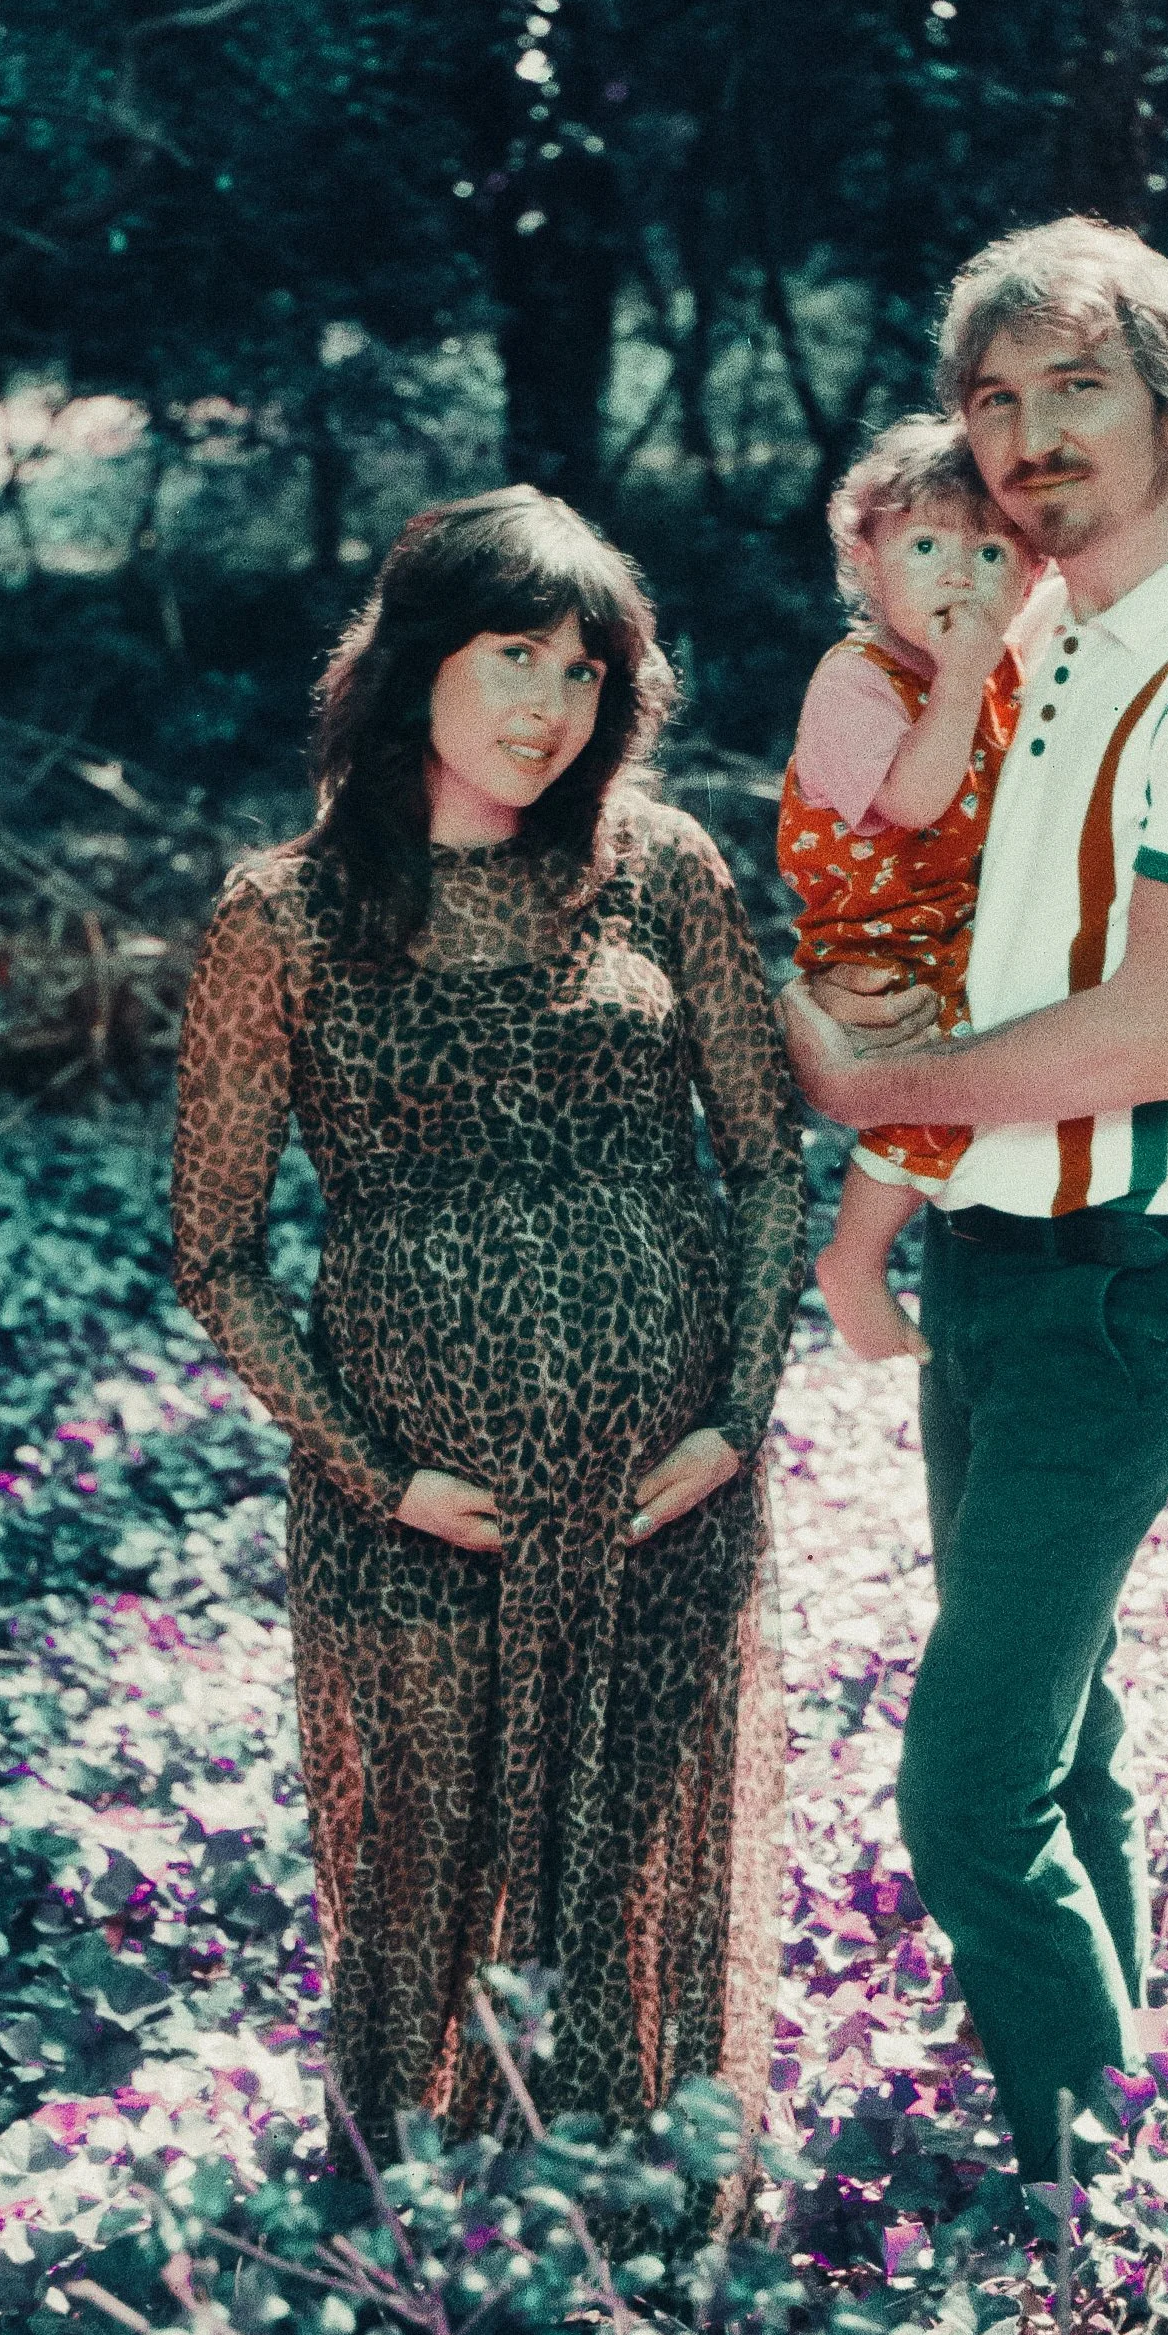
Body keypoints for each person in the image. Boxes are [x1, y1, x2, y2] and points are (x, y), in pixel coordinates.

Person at [781, 218, 1168, 2179]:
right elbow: (965, 944)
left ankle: (1095, 2209)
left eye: (1072, 387)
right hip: (994, 1255)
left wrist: (862, 1089)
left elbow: (1140, 1034)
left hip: (1119, 1289)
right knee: (1063, 1733)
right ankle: (1119, 2138)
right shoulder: (1046, 629)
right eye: (991, 397)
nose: (1026, 434)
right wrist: (883, 1199)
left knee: (963, 1792)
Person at [171, 487, 807, 2151]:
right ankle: (413, 2251)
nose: (547, 706)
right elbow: (216, 1255)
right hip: (419, 1523)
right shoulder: (283, 913)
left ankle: (631, 2239)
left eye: (586, 672)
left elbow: (760, 1157)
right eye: (511, 656)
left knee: (630, 1877)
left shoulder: (660, 868)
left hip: (662, 1499)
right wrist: (376, 1473)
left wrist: (737, 1418)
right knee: (418, 1883)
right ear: (414, 667)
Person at [779, 417, 1035, 1361]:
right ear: (867, 558)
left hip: (952, 914)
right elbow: (917, 801)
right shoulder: (855, 678)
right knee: (943, 1070)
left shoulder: (998, 670)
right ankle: (853, 1255)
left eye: (991, 550)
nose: (957, 574)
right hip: (877, 930)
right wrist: (964, 678)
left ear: (1032, 578)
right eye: (925, 545)